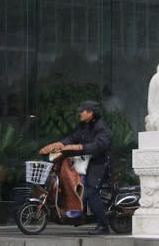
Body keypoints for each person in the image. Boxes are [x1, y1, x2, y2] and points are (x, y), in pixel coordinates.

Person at [40, 100, 112, 235]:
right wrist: (59, 144)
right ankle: (79, 216)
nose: (80, 113)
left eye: (82, 111)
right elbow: (73, 137)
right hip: (86, 163)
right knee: (74, 187)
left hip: (100, 164)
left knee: (90, 192)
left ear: (90, 113)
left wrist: (81, 147)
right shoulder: (84, 126)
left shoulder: (101, 128)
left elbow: (100, 146)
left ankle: (104, 225)